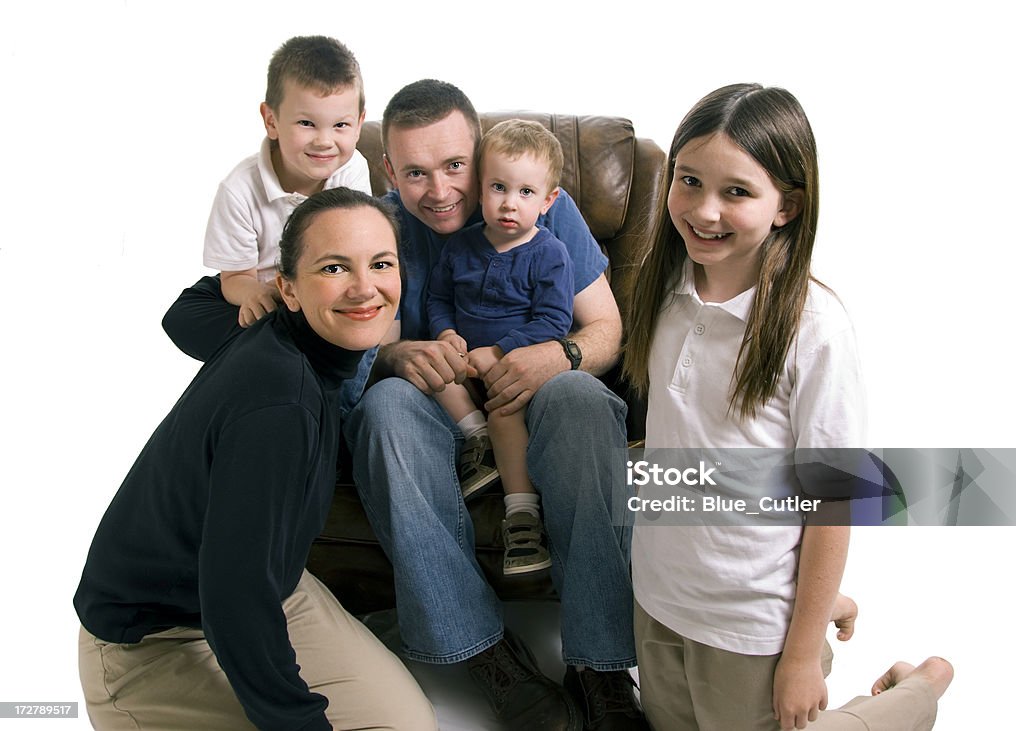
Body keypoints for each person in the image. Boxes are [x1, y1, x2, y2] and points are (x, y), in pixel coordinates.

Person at [622, 83, 951, 731]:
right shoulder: (662, 291)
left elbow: (834, 501)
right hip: (660, 600)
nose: (704, 210)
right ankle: (824, 604)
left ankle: (924, 683)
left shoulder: (815, 328)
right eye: (688, 180)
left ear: (787, 206)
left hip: (751, 629)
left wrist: (800, 653)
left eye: (737, 191)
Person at [343, 80, 647, 730]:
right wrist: (399, 358)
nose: (441, 190)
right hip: (443, 409)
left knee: (584, 398)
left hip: (538, 394)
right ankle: (487, 656)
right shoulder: (379, 227)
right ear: (389, 171)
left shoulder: (531, 203)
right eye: (416, 173)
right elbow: (373, 347)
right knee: (384, 407)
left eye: (456, 166)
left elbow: (606, 329)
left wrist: (557, 355)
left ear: (480, 156)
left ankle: (601, 666)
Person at [74, 188, 435, 731]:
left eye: (381, 263)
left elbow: (193, 305)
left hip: (272, 587)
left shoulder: (277, 330)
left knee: (409, 724)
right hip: (152, 642)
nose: (366, 288)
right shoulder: (278, 404)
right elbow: (233, 600)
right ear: (287, 288)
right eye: (335, 267)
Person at [426, 119, 574, 575]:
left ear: (548, 201)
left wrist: (502, 350)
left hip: (512, 365)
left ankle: (522, 517)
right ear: (479, 188)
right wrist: (446, 334)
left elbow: (555, 320)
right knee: (432, 371)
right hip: (464, 359)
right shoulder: (460, 246)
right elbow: (439, 299)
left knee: (505, 410)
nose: (510, 203)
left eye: (526, 193)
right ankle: (477, 438)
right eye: (498, 188)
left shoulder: (550, 254)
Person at [203, 35, 372, 327]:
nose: (324, 141)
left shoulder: (353, 168)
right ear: (271, 121)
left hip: (329, 291)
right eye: (306, 124)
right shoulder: (239, 191)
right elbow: (234, 278)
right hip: (272, 298)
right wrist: (256, 293)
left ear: (359, 124)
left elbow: (355, 247)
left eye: (340, 125)